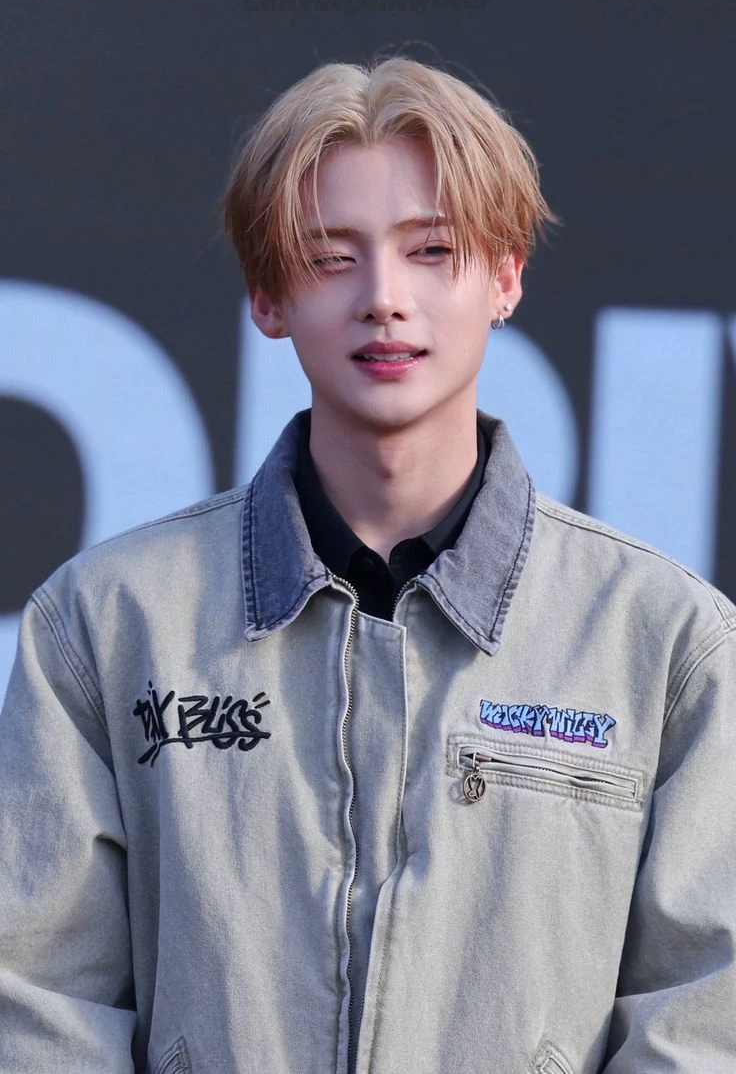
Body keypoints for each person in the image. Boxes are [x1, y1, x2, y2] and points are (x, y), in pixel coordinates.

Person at [1, 56, 735, 1074]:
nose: (384, 298)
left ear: (505, 276)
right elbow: (37, 1009)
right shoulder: (106, 622)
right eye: (331, 256)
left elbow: (704, 1019)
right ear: (267, 295)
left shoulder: (667, 640)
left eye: (432, 250)